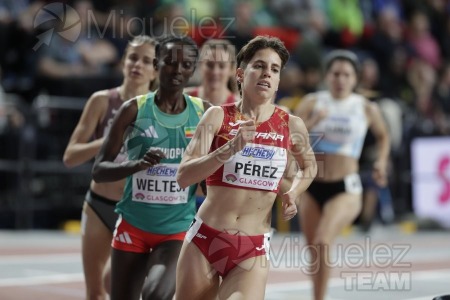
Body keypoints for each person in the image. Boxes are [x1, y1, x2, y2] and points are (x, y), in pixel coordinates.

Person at [175, 35, 318, 300]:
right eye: (259, 66)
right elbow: (183, 176)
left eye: (274, 70)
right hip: (205, 238)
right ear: (241, 74)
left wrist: (294, 192)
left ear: (278, 80)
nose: (267, 74)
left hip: (252, 248)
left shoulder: (290, 124)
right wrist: (229, 148)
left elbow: (309, 168)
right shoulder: (217, 116)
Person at [92, 35, 211, 300]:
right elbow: (99, 170)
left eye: (185, 64)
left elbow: (214, 171)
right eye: (169, 62)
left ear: (193, 69)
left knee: (156, 295)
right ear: (157, 65)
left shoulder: (204, 113)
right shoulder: (133, 109)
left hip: (176, 231)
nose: (177, 70)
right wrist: (137, 165)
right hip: (132, 227)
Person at [62, 35, 157, 300]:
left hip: (139, 209)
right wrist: (110, 139)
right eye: (133, 57)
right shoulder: (102, 100)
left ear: (156, 70)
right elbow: (70, 156)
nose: (137, 64)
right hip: (99, 204)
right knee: (95, 292)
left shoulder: (161, 109)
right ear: (123, 61)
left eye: (146, 60)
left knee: (124, 287)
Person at [293, 49, 390, 300]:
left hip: (346, 187)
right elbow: (290, 138)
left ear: (355, 79)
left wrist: (380, 161)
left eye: (346, 74)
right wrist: (313, 122)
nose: (340, 79)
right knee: (314, 251)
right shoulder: (312, 102)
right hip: (312, 186)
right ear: (327, 76)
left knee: (323, 241)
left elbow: (383, 135)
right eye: (335, 73)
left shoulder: (365, 107)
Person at [185, 39, 239, 105]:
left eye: (222, 66)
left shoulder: (239, 107)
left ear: (232, 70)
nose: (215, 72)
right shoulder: (183, 99)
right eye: (209, 65)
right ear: (200, 66)